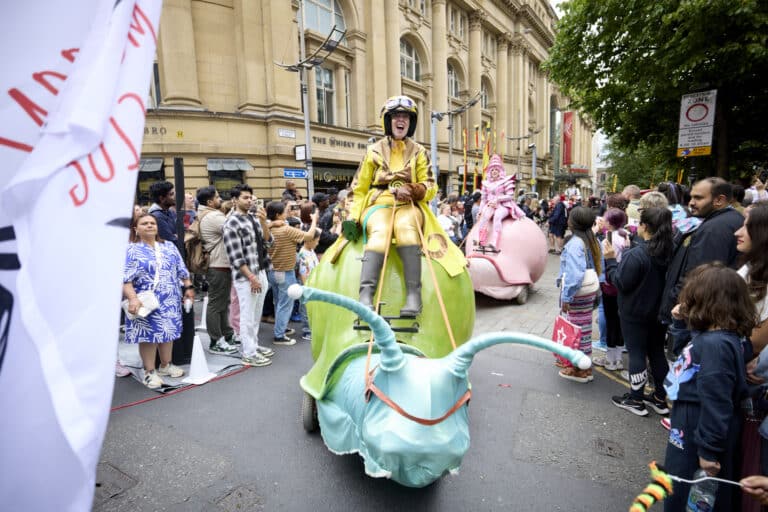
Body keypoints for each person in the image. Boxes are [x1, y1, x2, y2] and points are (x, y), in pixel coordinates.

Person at [342, 95, 465, 317]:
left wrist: (413, 189)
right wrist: (352, 216)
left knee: (406, 229)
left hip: (409, 205)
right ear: (388, 120)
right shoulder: (373, 151)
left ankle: (413, 296)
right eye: (396, 116)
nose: (401, 120)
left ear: (411, 122)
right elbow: (358, 188)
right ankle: (365, 296)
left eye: (406, 117)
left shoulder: (419, 151)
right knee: (381, 231)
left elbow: (431, 186)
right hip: (379, 204)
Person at [662, 263, 754, 512]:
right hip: (689, 424)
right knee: (681, 486)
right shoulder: (715, 337)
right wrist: (679, 323)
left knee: (688, 493)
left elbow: (717, 401)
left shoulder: (716, 345)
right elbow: (684, 356)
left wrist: (708, 451)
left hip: (696, 428)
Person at [603, 207, 674, 416]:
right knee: (657, 352)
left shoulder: (637, 254)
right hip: (659, 311)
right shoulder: (671, 251)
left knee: (637, 353)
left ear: (644, 226)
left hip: (635, 312)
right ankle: (660, 398)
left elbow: (620, 282)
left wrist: (610, 260)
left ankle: (635, 399)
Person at [659, 178, 744, 337]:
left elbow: (699, 274)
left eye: (698, 198)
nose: (691, 202)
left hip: (697, 314)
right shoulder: (727, 220)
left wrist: (676, 300)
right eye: (691, 197)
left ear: (719, 200)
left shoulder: (714, 229)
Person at [123, 214, 194, 388]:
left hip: (170, 298)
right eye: (144, 223)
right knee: (149, 335)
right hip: (146, 300)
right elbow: (125, 279)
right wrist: (132, 298)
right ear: (136, 229)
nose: (149, 225)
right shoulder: (131, 250)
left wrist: (188, 287)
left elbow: (181, 270)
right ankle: (149, 372)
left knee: (168, 332)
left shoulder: (168, 246)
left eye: (152, 223)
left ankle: (165, 365)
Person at [222, 185, 275, 366]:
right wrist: (252, 278)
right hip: (247, 276)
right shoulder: (231, 223)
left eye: (251, 197)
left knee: (256, 313)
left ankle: (254, 345)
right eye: (245, 197)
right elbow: (236, 257)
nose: (250, 200)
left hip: (261, 270)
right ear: (234, 200)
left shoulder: (253, 218)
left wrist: (264, 222)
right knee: (247, 315)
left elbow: (269, 243)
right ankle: (248, 352)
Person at [556, 206, 602, 383]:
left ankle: (580, 369)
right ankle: (582, 365)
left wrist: (567, 297)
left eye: (570, 218)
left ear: (573, 223)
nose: (567, 220)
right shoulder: (592, 240)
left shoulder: (575, 243)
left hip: (577, 293)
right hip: (588, 292)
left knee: (576, 331)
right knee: (584, 329)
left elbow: (575, 275)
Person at [266, 200, 319, 344]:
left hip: (272, 271)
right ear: (278, 215)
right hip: (285, 272)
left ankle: (281, 328)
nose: (287, 213)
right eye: (285, 211)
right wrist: (314, 220)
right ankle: (279, 335)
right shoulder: (286, 230)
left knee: (279, 302)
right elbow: (309, 236)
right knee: (285, 304)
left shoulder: (268, 229)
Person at [196, 186, 239, 355]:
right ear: (209, 201)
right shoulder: (213, 216)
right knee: (216, 304)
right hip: (218, 264)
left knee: (222, 303)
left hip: (220, 264)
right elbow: (235, 228)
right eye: (217, 197)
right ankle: (216, 341)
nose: (220, 199)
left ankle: (227, 335)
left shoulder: (209, 214)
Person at [592, 207, 629, 370]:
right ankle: (618, 359)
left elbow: (601, 262)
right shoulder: (626, 235)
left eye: (605, 219)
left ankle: (610, 360)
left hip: (609, 285)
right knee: (620, 323)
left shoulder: (607, 240)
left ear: (610, 222)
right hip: (623, 284)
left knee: (611, 321)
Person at [474, 155, 524, 250]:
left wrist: (498, 199)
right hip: (490, 206)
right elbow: (483, 199)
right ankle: (481, 241)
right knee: (484, 218)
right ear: (490, 172)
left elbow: (510, 196)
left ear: (500, 171)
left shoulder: (506, 181)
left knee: (497, 216)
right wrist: (480, 211)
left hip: (503, 206)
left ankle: (494, 243)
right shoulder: (485, 183)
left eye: (496, 170)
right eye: (492, 170)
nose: (494, 171)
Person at [297, 232, 320, 342]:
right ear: (309, 240)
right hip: (307, 285)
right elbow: (302, 272)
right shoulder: (302, 253)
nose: (317, 243)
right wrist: (306, 287)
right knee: (305, 307)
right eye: (316, 240)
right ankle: (307, 330)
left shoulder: (311, 251)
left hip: (314, 283)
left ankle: (311, 328)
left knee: (311, 307)